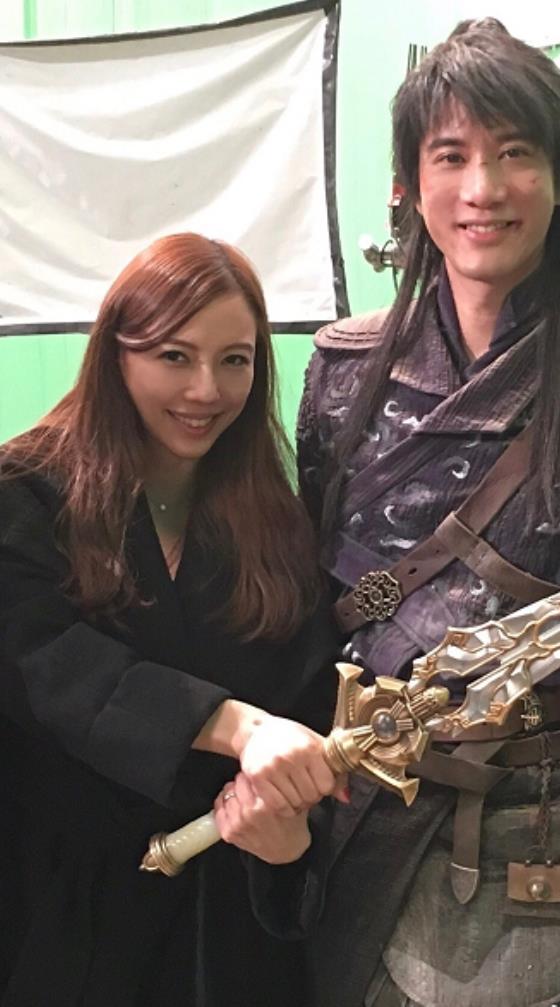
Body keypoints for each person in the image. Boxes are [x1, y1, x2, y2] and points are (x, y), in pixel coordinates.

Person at [295, 19, 560, 1007]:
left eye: (517, 153)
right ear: (409, 183)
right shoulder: (341, 374)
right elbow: (306, 598)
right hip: (360, 807)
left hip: (552, 826)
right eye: (452, 156)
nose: (483, 188)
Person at [0, 232, 342, 1007]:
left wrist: (288, 841)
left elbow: (309, 711)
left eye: (234, 359)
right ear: (115, 354)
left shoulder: (274, 524)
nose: (205, 390)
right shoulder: (25, 493)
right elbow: (45, 665)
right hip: (61, 917)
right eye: (174, 356)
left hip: (228, 936)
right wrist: (237, 726)